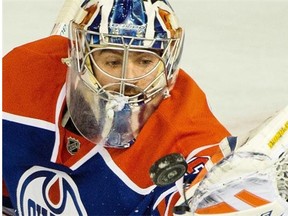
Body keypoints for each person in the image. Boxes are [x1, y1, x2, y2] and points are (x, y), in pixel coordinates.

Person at [2, 0, 230, 215]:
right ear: (82, 59)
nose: (127, 79)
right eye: (112, 61)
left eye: (144, 61)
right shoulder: (21, 77)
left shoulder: (186, 133)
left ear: (167, 65)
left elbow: (220, 191)